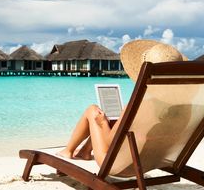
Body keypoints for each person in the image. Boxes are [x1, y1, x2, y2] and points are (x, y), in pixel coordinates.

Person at [57, 40, 187, 167]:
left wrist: (102, 122)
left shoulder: (138, 107)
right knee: (116, 122)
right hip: (150, 161)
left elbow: (109, 143)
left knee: (93, 110)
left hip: (118, 164)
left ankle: (68, 151)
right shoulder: (183, 109)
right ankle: (84, 151)